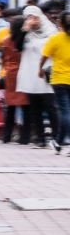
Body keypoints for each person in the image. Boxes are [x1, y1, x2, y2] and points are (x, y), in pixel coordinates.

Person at [16, 6, 60, 151]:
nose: (32, 20)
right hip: (30, 73)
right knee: (35, 108)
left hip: (47, 73)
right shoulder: (26, 33)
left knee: (51, 107)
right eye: (28, 17)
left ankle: (57, 136)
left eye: (34, 16)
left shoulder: (51, 32)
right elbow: (18, 47)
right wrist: (24, 30)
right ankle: (40, 138)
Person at [40, 11, 70, 149]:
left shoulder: (55, 39)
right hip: (62, 80)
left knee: (64, 112)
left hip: (59, 79)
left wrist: (40, 69)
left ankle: (62, 140)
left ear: (60, 23)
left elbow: (44, 56)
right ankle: (59, 141)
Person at [0, 16, 30, 144]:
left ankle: (6, 135)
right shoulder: (26, 40)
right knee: (26, 107)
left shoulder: (5, 40)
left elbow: (3, 57)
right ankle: (24, 137)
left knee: (10, 107)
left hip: (10, 74)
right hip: (24, 73)